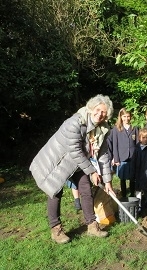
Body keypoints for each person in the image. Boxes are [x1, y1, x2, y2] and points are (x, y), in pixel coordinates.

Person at [29, 94, 114, 244]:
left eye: (104, 113)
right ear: (91, 107)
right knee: (54, 192)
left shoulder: (102, 129)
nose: (100, 114)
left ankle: (92, 226)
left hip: (78, 163)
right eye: (98, 110)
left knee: (86, 190)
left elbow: (104, 155)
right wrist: (92, 171)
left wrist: (107, 181)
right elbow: (75, 151)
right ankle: (56, 229)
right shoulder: (74, 123)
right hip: (55, 162)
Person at [107, 108, 138, 198]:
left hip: (132, 156)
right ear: (121, 117)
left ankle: (132, 195)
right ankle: (124, 195)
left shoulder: (134, 127)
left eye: (128, 116)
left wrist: (137, 155)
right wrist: (116, 158)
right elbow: (115, 144)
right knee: (123, 178)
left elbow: (137, 143)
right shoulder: (116, 129)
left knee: (132, 178)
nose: (126, 118)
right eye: (124, 116)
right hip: (122, 156)